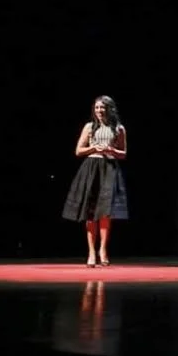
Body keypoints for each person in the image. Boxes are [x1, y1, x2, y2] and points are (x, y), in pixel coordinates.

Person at [62, 96, 129, 267]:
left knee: (105, 212)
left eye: (103, 107)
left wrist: (111, 150)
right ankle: (91, 252)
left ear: (109, 109)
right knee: (90, 212)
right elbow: (78, 151)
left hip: (110, 169)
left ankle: (103, 250)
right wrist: (94, 148)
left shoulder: (119, 128)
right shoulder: (89, 127)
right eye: (97, 107)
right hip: (91, 168)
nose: (99, 110)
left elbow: (123, 154)